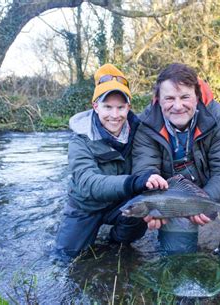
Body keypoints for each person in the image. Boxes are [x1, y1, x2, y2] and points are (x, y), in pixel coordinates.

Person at [131, 63, 220, 275]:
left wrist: (205, 201)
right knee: (179, 262)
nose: (177, 106)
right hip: (173, 198)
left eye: (184, 97)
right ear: (158, 100)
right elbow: (144, 168)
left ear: (196, 96)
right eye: (169, 98)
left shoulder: (218, 116)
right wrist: (151, 189)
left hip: (209, 186)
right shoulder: (146, 123)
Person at [55, 63, 166, 259]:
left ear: (129, 107)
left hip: (121, 204)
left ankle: (116, 243)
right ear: (95, 106)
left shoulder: (140, 131)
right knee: (66, 257)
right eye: (107, 107)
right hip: (86, 206)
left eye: (120, 107)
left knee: (137, 213)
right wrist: (134, 182)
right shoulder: (79, 140)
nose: (114, 116)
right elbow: (88, 183)